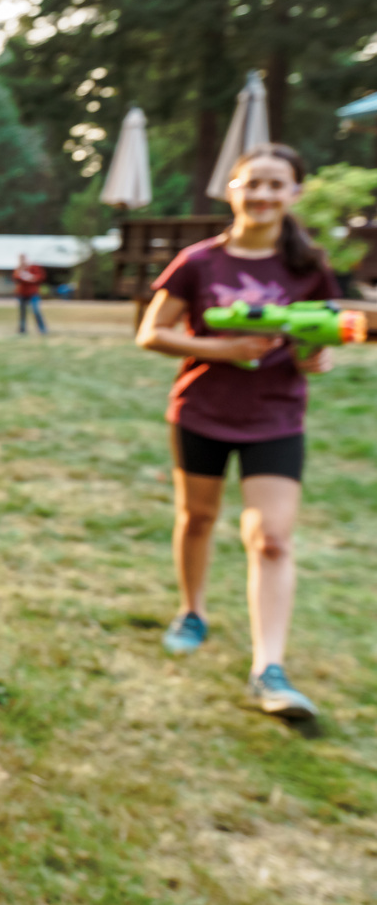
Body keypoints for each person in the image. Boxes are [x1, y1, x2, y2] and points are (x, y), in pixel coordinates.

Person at [136, 142, 340, 720]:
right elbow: (152, 332)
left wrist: (314, 357)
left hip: (275, 415)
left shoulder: (308, 267)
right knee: (197, 518)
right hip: (202, 408)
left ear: (294, 194)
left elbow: (315, 343)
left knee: (271, 537)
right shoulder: (200, 262)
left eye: (276, 185)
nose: (263, 194)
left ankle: (267, 669)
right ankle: (191, 611)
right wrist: (221, 348)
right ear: (232, 189)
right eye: (252, 183)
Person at [13, 254, 47, 334]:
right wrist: (23, 273)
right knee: (22, 313)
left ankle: (43, 330)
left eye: (23, 258)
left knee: (36, 311)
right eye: (20, 259)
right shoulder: (18, 269)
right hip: (22, 294)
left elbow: (40, 277)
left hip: (33, 293)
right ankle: (22, 330)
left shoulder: (34, 267)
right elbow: (16, 278)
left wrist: (32, 278)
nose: (22, 260)